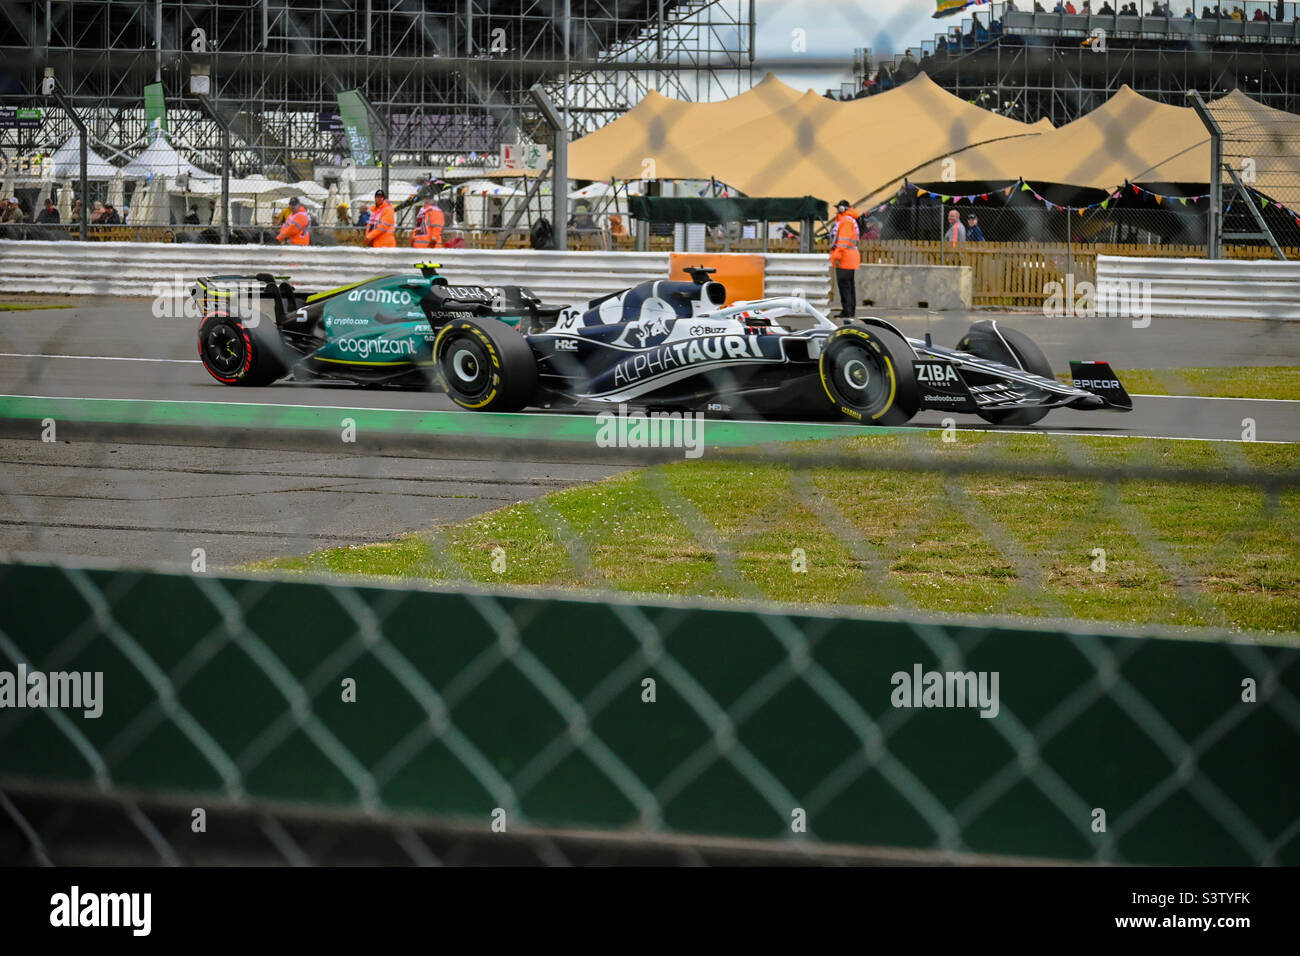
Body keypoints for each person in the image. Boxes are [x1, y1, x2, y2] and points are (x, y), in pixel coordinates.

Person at [828, 199, 861, 319]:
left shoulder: (846, 221)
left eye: (838, 208)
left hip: (845, 257)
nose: (836, 210)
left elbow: (843, 241)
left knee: (845, 286)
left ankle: (847, 311)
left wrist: (837, 256)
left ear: (842, 209)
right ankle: (849, 311)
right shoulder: (848, 220)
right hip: (849, 256)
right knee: (849, 285)